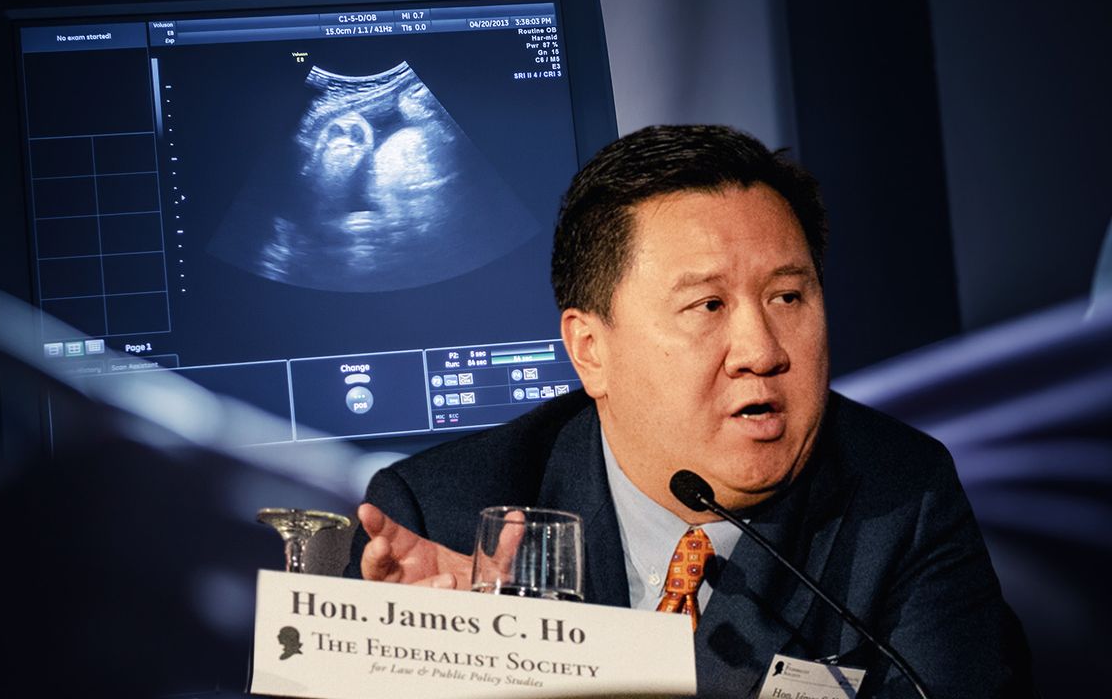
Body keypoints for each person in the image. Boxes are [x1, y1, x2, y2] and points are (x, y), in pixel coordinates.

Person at [345, 124, 1034, 698]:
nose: (760, 351)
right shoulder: (445, 515)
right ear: (590, 350)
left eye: (788, 298)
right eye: (708, 306)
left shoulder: (900, 499)